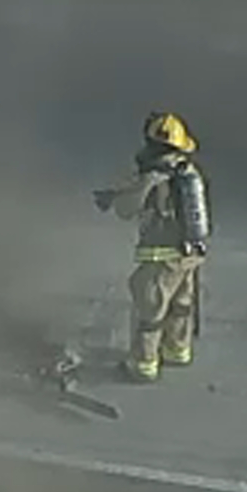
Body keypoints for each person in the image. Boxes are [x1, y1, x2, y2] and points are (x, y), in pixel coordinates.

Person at [93, 112, 211, 382]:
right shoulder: (188, 171)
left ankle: (143, 365)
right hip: (191, 252)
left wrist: (115, 199)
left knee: (150, 310)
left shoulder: (153, 176)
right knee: (182, 303)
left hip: (161, 255)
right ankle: (177, 351)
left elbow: (127, 209)